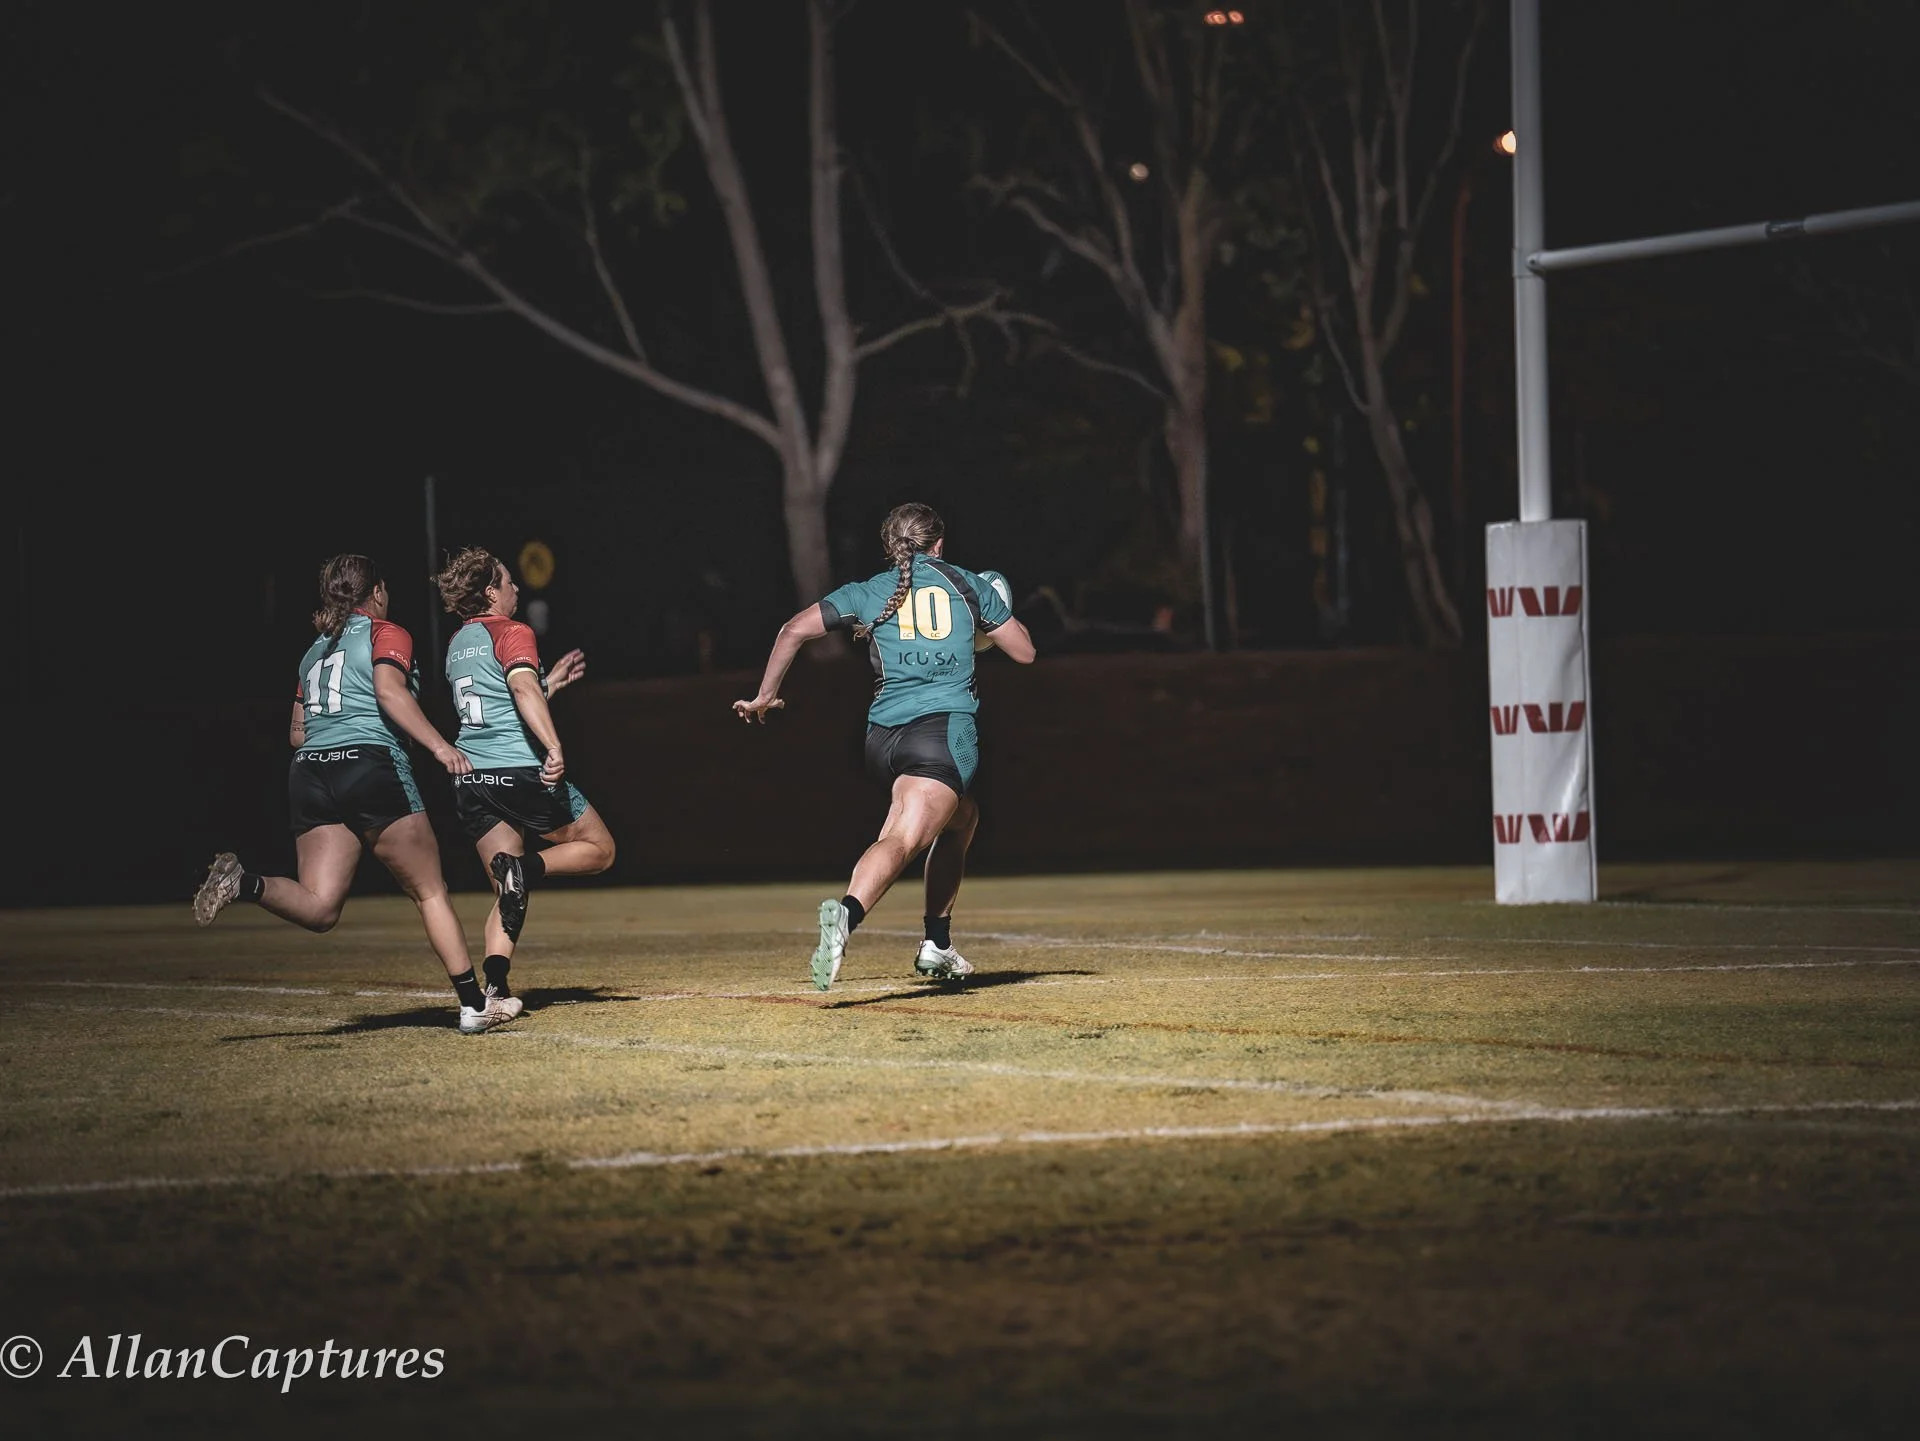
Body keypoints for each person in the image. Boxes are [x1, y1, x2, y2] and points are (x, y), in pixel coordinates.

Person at [192, 554, 520, 1035]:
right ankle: (474, 1005)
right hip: (368, 764)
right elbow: (389, 692)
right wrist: (439, 746)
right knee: (429, 890)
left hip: (310, 773)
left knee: (321, 907)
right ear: (378, 591)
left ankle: (245, 883)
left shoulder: (313, 651)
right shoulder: (386, 633)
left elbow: (297, 735)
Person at [733, 503, 1036, 991]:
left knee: (962, 818)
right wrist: (985, 625)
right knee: (904, 839)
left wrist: (765, 696)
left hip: (883, 740)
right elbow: (1024, 651)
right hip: (941, 733)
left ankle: (937, 945)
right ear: (939, 544)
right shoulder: (966, 584)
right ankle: (847, 918)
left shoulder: (870, 591)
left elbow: (792, 630)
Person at [433, 547, 615, 1003]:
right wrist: (553, 745)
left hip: (472, 779)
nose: (516, 587)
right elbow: (518, 687)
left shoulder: (457, 643)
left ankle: (495, 983)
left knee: (507, 892)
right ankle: (525, 867)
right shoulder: (513, 631)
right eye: (508, 581)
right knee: (599, 849)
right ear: (491, 590)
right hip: (516, 772)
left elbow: (500, 703)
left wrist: (548, 682)